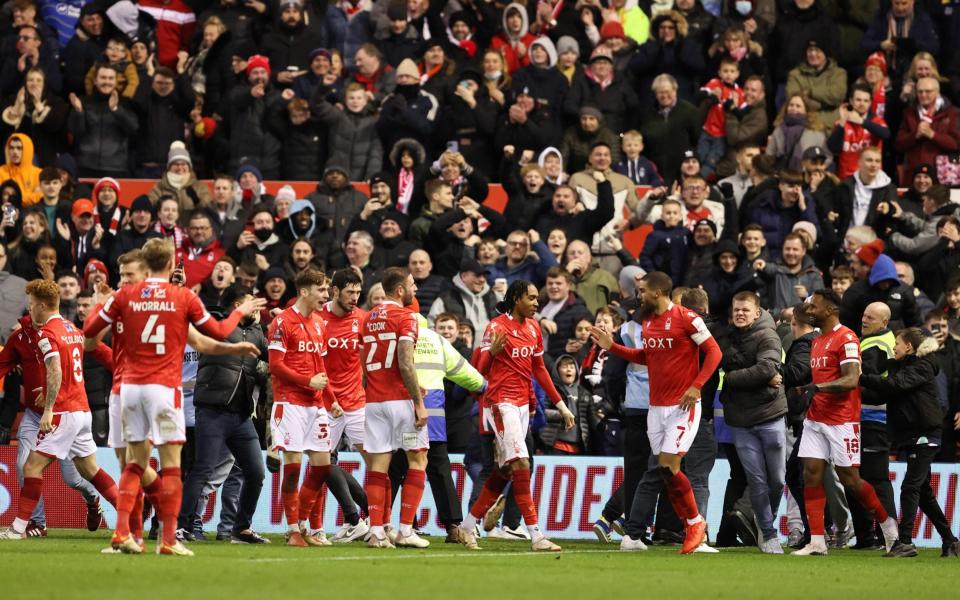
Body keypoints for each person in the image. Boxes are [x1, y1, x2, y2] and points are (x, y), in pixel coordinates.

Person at [82, 238, 263, 555]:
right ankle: (168, 539)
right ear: (170, 264)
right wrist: (241, 313)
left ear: (144, 265)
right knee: (172, 467)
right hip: (164, 389)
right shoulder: (182, 298)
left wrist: (100, 301)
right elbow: (218, 332)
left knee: (133, 463)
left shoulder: (125, 295)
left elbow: (89, 333)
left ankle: (123, 534)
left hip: (128, 389)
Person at [589, 270, 722, 554]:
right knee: (660, 471)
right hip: (655, 408)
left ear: (658, 293)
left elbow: (714, 353)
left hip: (683, 406)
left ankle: (691, 524)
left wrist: (696, 386)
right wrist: (613, 347)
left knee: (664, 467)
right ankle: (638, 534)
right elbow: (647, 358)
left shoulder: (688, 318)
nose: (639, 296)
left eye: (643, 292)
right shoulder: (648, 322)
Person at [456, 279, 576, 552]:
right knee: (521, 464)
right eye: (532, 298)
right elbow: (480, 372)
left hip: (523, 406)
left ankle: (466, 526)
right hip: (501, 404)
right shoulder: (496, 327)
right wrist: (492, 354)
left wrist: (561, 404)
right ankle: (536, 535)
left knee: (504, 470)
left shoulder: (533, 327)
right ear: (516, 299)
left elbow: (540, 370)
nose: (537, 303)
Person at [0, 279, 120, 541]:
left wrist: (49, 409)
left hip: (62, 413)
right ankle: (130, 516)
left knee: (32, 467)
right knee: (90, 470)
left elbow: (54, 370)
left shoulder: (46, 333)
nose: (28, 311)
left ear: (42, 306)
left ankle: (18, 528)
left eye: (31, 306)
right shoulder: (72, 330)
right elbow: (100, 352)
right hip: (82, 410)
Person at [790, 289, 899, 556]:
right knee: (810, 473)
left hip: (842, 421)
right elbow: (823, 380)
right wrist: (809, 389)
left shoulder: (847, 338)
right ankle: (817, 541)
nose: (809, 311)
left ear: (829, 310)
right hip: (816, 418)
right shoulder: (817, 340)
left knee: (850, 480)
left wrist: (819, 387)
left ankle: (888, 526)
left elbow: (851, 380)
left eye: (813, 307)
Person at [177, 285, 269, 545]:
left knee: (255, 471)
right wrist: (240, 313)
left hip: (240, 415)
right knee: (203, 469)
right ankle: (181, 527)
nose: (257, 308)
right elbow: (217, 333)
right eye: (251, 302)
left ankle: (241, 528)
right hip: (212, 410)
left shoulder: (256, 332)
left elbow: (273, 360)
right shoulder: (216, 321)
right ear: (238, 303)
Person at [860, 328, 960, 558]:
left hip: (924, 434)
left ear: (909, 347)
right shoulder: (904, 368)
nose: (893, 347)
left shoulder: (923, 366)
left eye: (897, 343)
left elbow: (894, 385)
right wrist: (852, 391)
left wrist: (860, 377)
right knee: (922, 491)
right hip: (913, 435)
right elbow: (882, 394)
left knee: (910, 487)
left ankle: (904, 541)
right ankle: (950, 540)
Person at [266, 268, 338, 547]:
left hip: (315, 405)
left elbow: (321, 367)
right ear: (305, 292)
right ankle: (293, 529)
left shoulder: (320, 323)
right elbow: (275, 366)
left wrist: (331, 401)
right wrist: (308, 381)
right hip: (289, 404)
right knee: (293, 468)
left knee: (322, 467)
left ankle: (304, 523)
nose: (326, 295)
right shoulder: (282, 323)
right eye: (322, 290)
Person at [360, 267, 430, 549]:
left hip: (374, 399)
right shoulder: (406, 317)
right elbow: (405, 361)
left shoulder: (368, 319)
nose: (416, 289)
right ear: (400, 290)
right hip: (400, 400)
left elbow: (364, 362)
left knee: (378, 465)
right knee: (418, 459)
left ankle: (376, 531)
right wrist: (418, 402)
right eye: (412, 284)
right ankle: (404, 530)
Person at [718, 291, 787, 554]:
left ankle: (762, 518)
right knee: (757, 480)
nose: (740, 314)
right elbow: (759, 371)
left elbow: (767, 369)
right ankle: (768, 534)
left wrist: (733, 378)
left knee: (777, 481)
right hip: (740, 420)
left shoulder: (769, 335)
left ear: (757, 313)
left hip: (770, 415)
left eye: (745, 310)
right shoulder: (725, 336)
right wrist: (756, 375)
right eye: (736, 310)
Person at [315, 269, 372, 543]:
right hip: (327, 404)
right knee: (322, 463)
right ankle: (353, 519)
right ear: (334, 291)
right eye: (350, 292)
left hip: (357, 403)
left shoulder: (362, 319)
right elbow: (314, 365)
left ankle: (376, 519)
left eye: (358, 292)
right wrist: (329, 399)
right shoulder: (317, 320)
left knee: (377, 462)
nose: (355, 298)